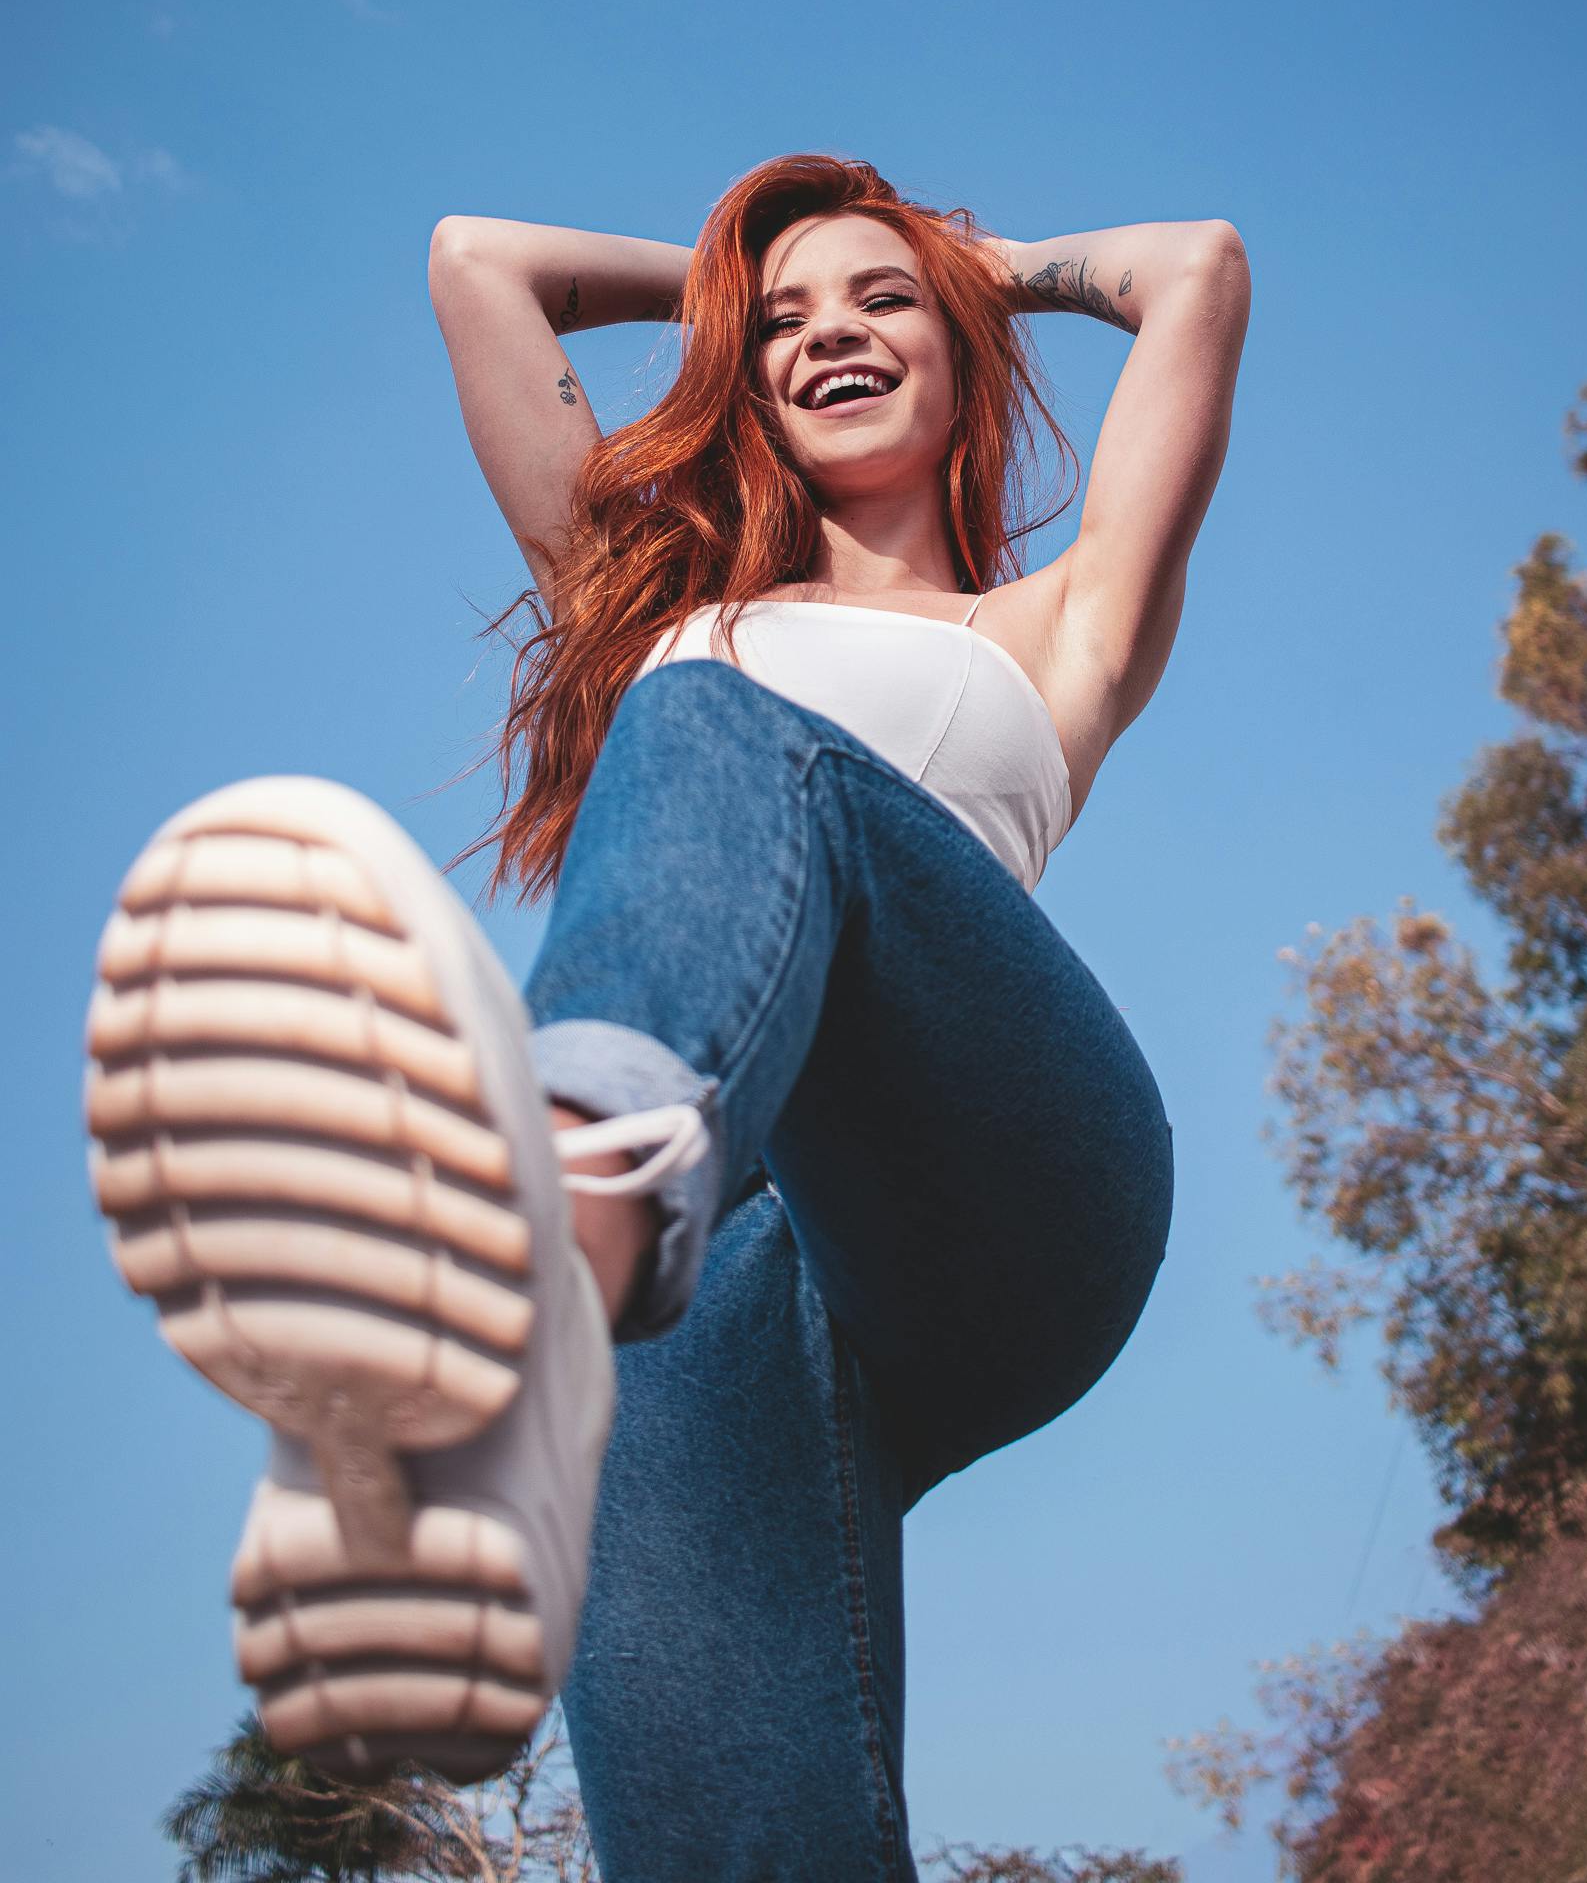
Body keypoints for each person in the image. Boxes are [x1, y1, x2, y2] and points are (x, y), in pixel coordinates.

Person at [84, 153, 1250, 1881]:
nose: (826, 337)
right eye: (780, 326)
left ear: (961, 345)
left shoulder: (1059, 622)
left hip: (996, 1193)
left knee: (723, 726)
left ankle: (561, 1175)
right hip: (715, 1260)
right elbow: (478, 261)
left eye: (879, 304)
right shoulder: (652, 610)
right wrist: (731, 292)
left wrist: (975, 263)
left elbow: (1196, 267)